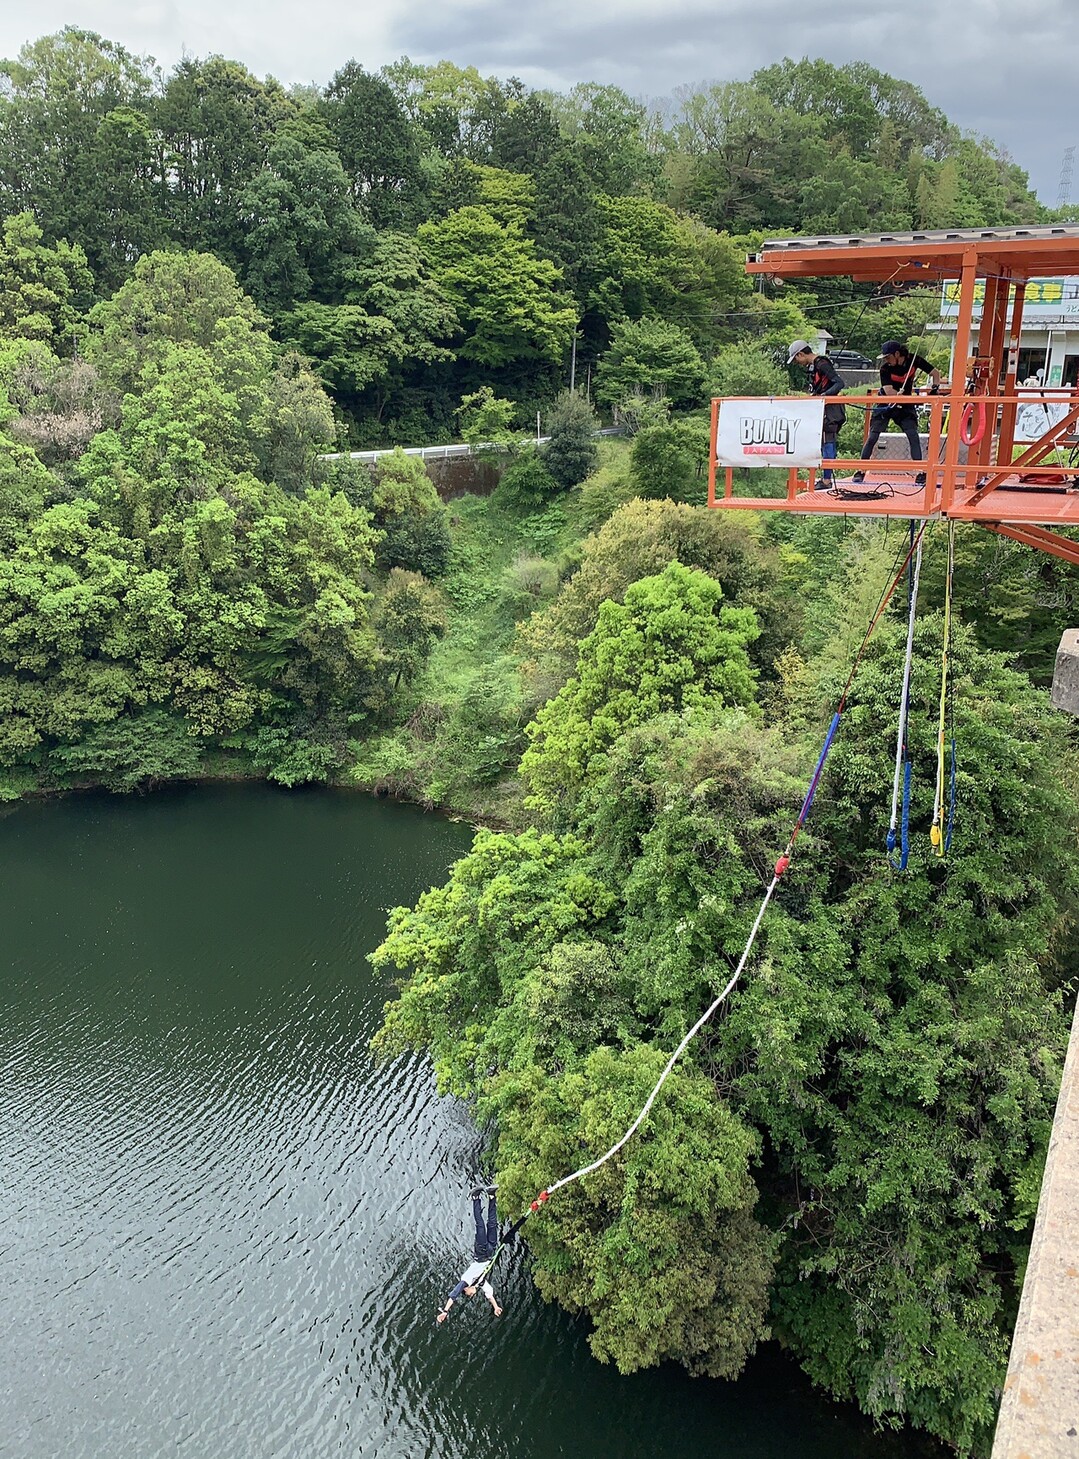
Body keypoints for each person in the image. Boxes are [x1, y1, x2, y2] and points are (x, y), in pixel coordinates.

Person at [851, 340, 942, 485]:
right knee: (873, 435)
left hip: (905, 404)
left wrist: (935, 388)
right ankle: (861, 470)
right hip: (887, 402)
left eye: (888, 357)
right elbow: (890, 393)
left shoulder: (914, 360)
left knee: (913, 435)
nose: (886, 360)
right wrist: (914, 400)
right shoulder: (885, 369)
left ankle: (920, 472)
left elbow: (935, 373)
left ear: (897, 354)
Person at [436, 1185, 503, 1323]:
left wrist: (445, 1311)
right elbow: (489, 1295)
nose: (473, 1294)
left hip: (481, 1252)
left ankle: (475, 1197)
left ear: (466, 1290)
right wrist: (496, 1307)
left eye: (470, 1294)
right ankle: (491, 1196)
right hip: (491, 1252)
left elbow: (454, 1295)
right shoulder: (480, 1282)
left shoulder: (466, 1279)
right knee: (492, 1224)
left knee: (480, 1225)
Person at [787, 339, 847, 487]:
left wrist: (823, 396)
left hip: (829, 412)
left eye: (796, 359)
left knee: (828, 444)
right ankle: (825, 477)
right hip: (823, 409)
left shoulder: (822, 364)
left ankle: (827, 480)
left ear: (801, 354)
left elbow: (839, 383)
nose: (797, 363)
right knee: (824, 444)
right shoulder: (816, 366)